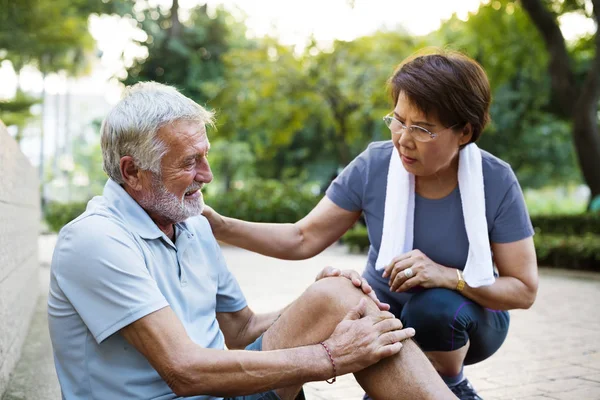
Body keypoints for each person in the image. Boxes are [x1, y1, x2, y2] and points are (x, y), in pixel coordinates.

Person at [47, 81, 457, 400]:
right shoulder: (95, 240)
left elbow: (239, 329)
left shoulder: (191, 223)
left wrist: (316, 306)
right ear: (132, 171)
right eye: (190, 163)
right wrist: (330, 356)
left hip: (226, 393)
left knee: (338, 296)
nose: (206, 175)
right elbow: (183, 370)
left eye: (205, 156)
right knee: (342, 319)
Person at [202, 50, 539, 400]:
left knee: (433, 307)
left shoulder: (495, 180)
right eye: (398, 120)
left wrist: (448, 276)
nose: (403, 139)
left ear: (464, 132)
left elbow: (523, 289)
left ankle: (451, 383)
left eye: (423, 129)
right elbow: (302, 237)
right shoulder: (375, 165)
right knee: (352, 305)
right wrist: (220, 226)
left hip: (471, 316)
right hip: (386, 310)